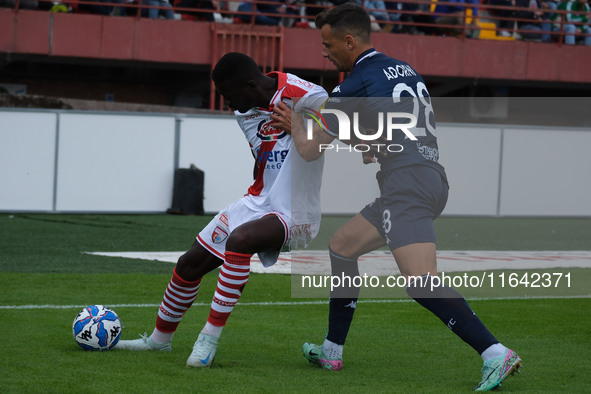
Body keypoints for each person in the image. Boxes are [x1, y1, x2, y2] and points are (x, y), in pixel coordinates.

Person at [270, 3, 522, 391]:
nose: (325, 52)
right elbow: (385, 131)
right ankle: (332, 350)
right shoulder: (401, 68)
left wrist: (295, 123)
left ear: (349, 41)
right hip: (425, 176)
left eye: (328, 43)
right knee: (342, 246)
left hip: (407, 183)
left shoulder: (354, 83)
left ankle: (494, 352)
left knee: (420, 283)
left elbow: (310, 150)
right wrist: (370, 143)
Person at [114, 52, 328, 368]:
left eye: (229, 96)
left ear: (251, 85)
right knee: (189, 264)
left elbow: (321, 145)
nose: (228, 105)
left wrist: (299, 124)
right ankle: (158, 342)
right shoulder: (245, 114)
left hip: (297, 210)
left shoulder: (310, 95)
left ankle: (208, 340)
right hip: (257, 201)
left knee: (239, 241)